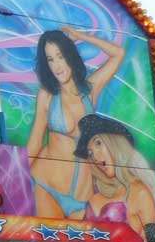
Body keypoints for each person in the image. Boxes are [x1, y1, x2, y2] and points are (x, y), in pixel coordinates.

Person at [26, 27, 125, 220]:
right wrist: (17, 178)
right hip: (46, 185)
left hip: (82, 195)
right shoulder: (47, 95)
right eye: (50, 59)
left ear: (70, 56)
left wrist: (81, 36)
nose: (57, 66)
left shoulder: (90, 90)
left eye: (61, 56)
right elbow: (36, 142)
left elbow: (118, 54)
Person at [77, 115, 155, 242]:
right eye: (90, 153)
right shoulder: (94, 198)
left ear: (115, 142)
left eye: (98, 143)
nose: (94, 157)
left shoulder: (139, 193)